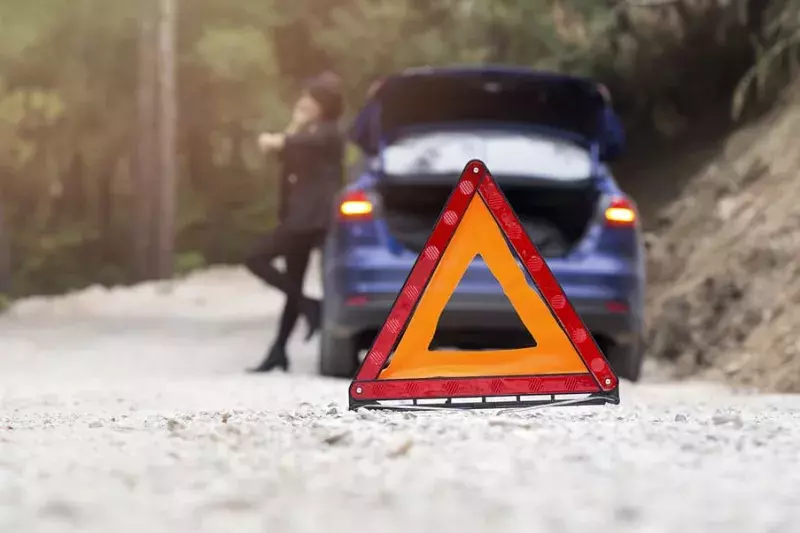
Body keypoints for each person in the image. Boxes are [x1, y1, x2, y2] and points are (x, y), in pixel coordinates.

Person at [246, 73, 345, 373]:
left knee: (255, 257)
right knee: (293, 279)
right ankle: (279, 349)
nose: (302, 102)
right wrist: (294, 124)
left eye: (309, 98)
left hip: (311, 218)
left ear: (323, 104)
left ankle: (309, 306)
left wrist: (279, 137)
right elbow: (289, 151)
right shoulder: (310, 131)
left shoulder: (327, 132)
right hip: (298, 216)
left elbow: (285, 144)